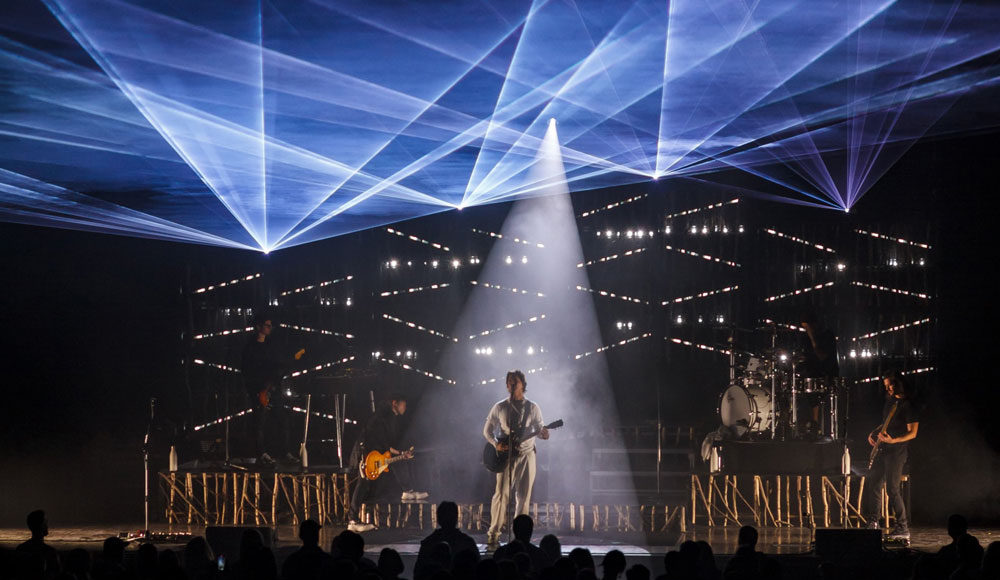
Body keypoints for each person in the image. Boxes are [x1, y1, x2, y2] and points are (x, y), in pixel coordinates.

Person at [483, 370, 549, 547]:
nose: (512, 385)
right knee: (501, 494)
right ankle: (494, 533)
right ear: (506, 385)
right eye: (509, 382)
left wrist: (544, 434)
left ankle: (519, 536)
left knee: (523, 496)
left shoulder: (533, 407)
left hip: (527, 456)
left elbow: (540, 430)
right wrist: (496, 443)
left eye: (515, 382)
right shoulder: (500, 407)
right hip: (506, 457)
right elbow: (487, 431)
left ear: (523, 385)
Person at [349, 393, 428, 533]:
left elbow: (386, 445)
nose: (406, 407)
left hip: (376, 452)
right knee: (362, 484)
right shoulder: (382, 417)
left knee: (398, 462)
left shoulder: (390, 418)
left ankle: (407, 491)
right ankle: (353, 520)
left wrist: (400, 454)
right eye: (403, 403)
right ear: (394, 403)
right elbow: (375, 439)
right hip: (366, 453)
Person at [862, 372, 919, 540]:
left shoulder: (909, 405)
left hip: (897, 451)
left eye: (890, 385)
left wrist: (893, 441)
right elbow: (887, 421)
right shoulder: (890, 402)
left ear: (899, 384)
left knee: (892, 489)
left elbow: (913, 433)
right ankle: (873, 522)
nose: (887, 389)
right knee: (874, 483)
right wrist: (874, 432)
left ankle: (902, 527)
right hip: (883, 449)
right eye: (885, 386)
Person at [241, 315, 304, 465]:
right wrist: (258, 390)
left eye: (270, 326)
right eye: (267, 325)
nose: (270, 328)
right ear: (259, 327)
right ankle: (262, 453)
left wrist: (289, 363)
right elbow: (248, 370)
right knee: (260, 422)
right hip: (258, 389)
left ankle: (286, 452)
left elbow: (277, 365)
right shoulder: (251, 347)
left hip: (273, 388)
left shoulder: (271, 345)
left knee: (282, 420)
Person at [415, 502, 478, 576]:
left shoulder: (428, 543)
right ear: (456, 518)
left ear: (438, 518)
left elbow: (418, 573)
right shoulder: (467, 542)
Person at [14, 510, 60, 580]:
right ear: (41, 525)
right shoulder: (50, 552)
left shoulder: (21, 548)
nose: (47, 526)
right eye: (45, 523)